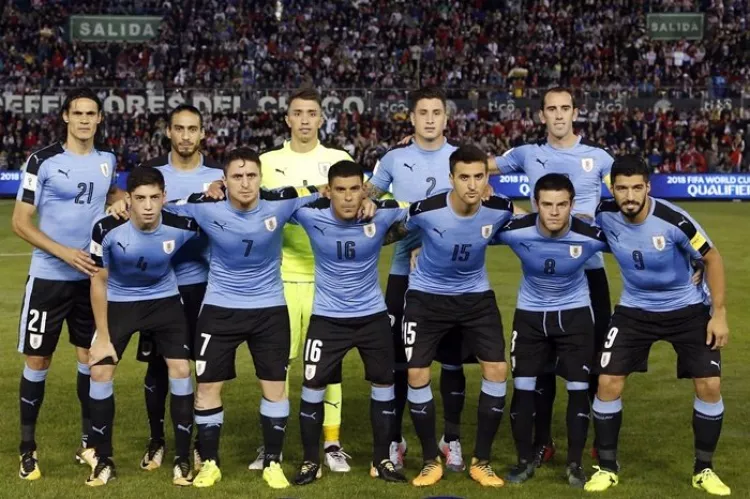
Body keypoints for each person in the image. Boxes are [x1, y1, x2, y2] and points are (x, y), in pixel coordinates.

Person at [166, 148, 372, 489]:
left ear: (261, 178)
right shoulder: (205, 206)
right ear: (224, 180)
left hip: (270, 311)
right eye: (236, 177)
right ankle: (211, 463)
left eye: (251, 176)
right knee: (207, 390)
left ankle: (273, 462)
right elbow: (157, 204)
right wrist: (119, 203)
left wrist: (368, 201)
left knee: (275, 389)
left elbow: (328, 191)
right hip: (219, 310)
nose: (245, 184)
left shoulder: (281, 201)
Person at [585, 155, 730, 496]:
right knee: (607, 382)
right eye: (622, 188)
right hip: (635, 310)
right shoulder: (603, 214)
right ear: (613, 189)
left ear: (648, 187)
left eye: (637, 187)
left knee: (709, 385)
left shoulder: (673, 220)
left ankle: (704, 470)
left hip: (688, 309)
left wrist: (719, 313)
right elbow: (560, 218)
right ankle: (607, 467)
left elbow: (711, 256)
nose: (630, 195)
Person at [494, 86, 614, 463]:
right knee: (540, 366)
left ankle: (597, 440)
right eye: (552, 109)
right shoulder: (529, 154)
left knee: (595, 363)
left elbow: (633, 196)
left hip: (590, 275)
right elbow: (479, 167)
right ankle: (543, 441)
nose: (559, 115)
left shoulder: (598, 158)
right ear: (541, 115)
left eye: (565, 108)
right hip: (543, 277)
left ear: (575, 112)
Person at [12, 88, 123, 480]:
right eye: (78, 113)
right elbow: (20, 223)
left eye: (91, 114)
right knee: (38, 360)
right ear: (65, 117)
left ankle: (89, 445)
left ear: (98, 119)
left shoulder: (107, 160)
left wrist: (123, 199)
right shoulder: (41, 161)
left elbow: (111, 193)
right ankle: (28, 448)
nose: (84, 120)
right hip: (48, 277)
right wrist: (64, 253)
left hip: (90, 280)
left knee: (89, 361)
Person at [252, 87, 355, 472]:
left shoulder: (338, 159)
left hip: (328, 280)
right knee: (276, 364)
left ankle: (331, 442)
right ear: (288, 119)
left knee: (327, 365)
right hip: (278, 277)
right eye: (299, 113)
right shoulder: (267, 161)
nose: (306, 119)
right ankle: (272, 444)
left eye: (313, 113)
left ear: (321, 118)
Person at [364, 86, 465, 471]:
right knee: (401, 362)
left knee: (452, 362)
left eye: (436, 112)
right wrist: (407, 224)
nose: (429, 118)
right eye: (422, 112)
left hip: (454, 276)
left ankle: (450, 439)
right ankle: (395, 439)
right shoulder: (393, 158)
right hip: (404, 276)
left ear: (445, 117)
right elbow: (375, 221)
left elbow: (473, 214)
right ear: (412, 117)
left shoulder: (460, 159)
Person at [291, 160, 409, 485]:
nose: (347, 197)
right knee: (312, 387)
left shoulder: (380, 214)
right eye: (339, 190)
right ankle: (309, 462)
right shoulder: (311, 216)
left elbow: (415, 211)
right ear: (329, 191)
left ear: (364, 190)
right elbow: (275, 201)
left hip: (372, 318)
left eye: (354, 189)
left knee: (384, 385)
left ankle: (382, 460)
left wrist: (380, 202)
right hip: (327, 320)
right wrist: (312, 193)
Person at [402, 145, 514, 487]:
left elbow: (523, 220)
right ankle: (428, 461)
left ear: (487, 178)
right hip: (426, 297)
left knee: (496, 369)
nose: (472, 185)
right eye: (464, 177)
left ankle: (482, 460)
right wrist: (417, 245)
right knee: (417, 372)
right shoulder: (426, 209)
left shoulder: (499, 207)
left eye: (479, 176)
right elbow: (395, 230)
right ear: (451, 178)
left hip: (475, 297)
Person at [491, 173, 608, 488]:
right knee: (524, 388)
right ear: (535, 205)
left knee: (578, 390)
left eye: (561, 205)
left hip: (575, 317)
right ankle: (524, 461)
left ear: (572, 204)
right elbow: (466, 234)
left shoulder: (590, 235)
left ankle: (575, 465)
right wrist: (420, 247)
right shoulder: (516, 231)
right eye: (547, 205)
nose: (554, 212)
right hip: (530, 318)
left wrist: (696, 263)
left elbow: (639, 245)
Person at [85, 167, 199, 487]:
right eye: (139, 199)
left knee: (179, 369)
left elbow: (213, 214)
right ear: (127, 200)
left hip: (164, 300)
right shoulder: (107, 228)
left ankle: (181, 458)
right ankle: (103, 459)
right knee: (100, 368)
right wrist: (103, 338)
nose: (147, 206)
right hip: (120, 302)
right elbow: (98, 281)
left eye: (154, 198)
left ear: (164, 198)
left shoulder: (182, 222)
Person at [135, 104, 222, 472]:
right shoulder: (152, 176)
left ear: (203, 133)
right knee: (159, 369)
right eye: (179, 128)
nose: (186, 135)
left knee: (204, 369)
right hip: (161, 287)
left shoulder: (219, 176)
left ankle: (201, 443)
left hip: (206, 287)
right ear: (168, 132)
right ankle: (157, 441)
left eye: (193, 129)